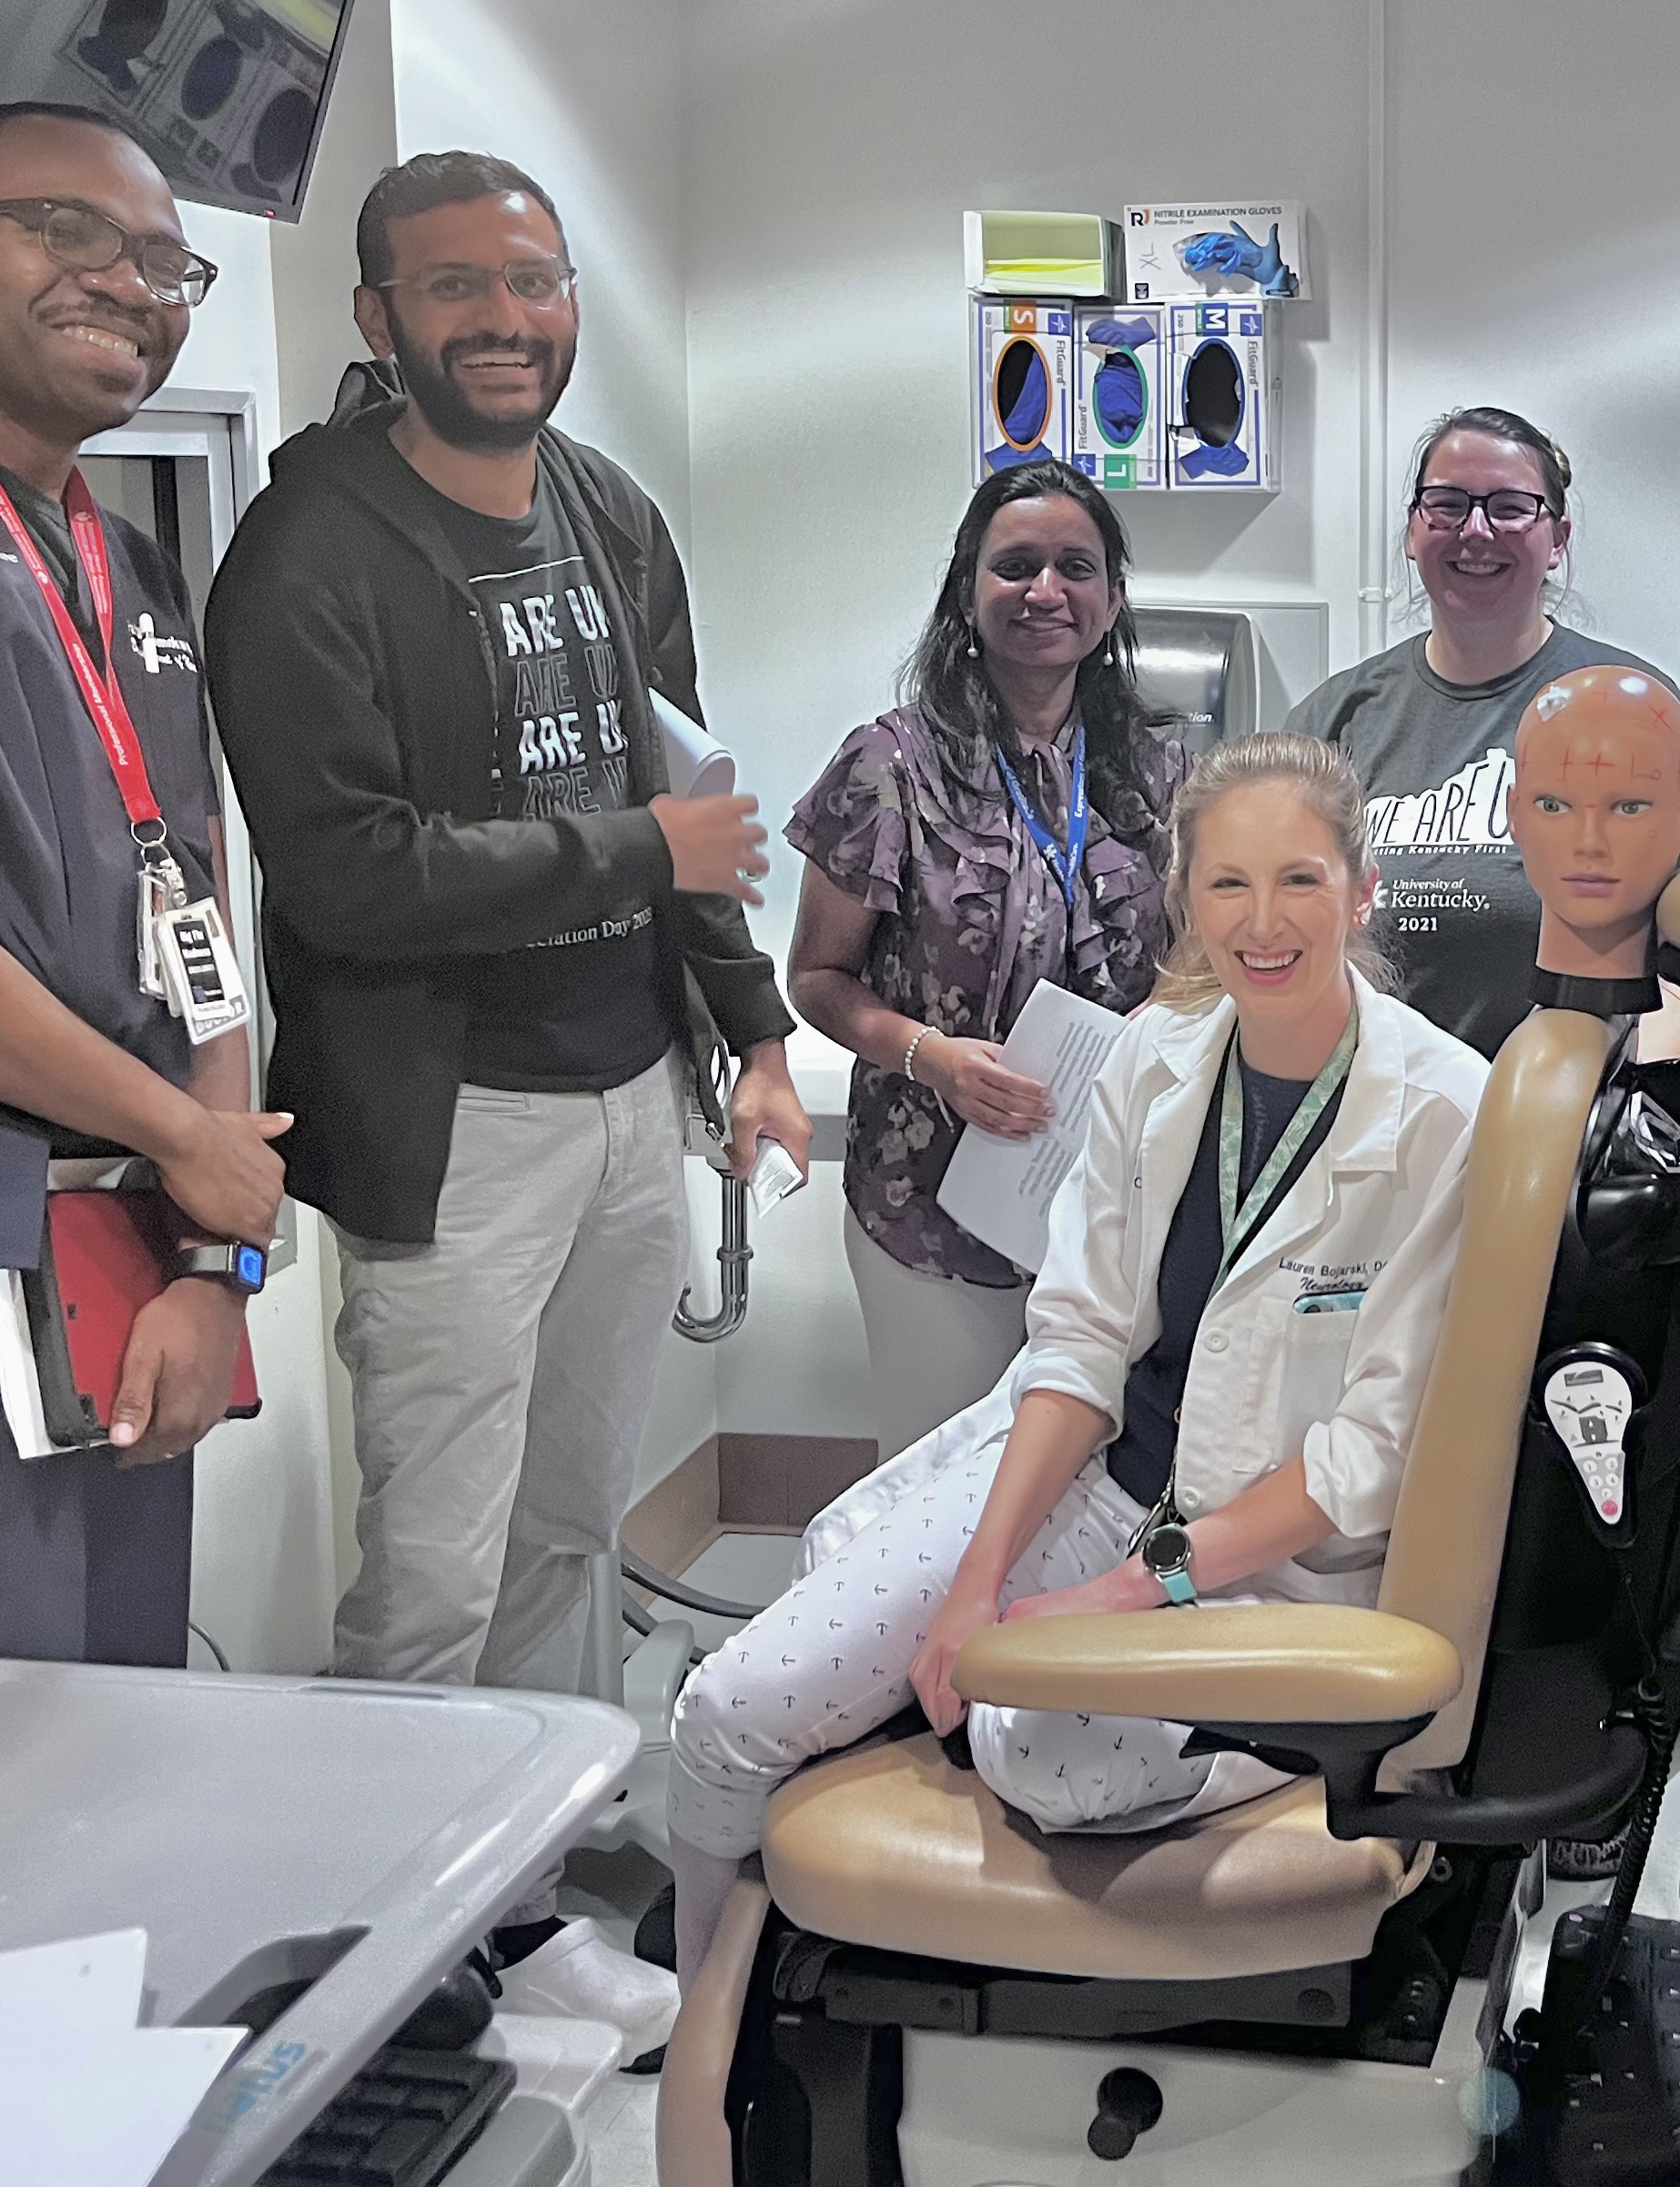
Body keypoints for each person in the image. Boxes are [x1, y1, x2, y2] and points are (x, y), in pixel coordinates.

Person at [207, 150, 808, 2045]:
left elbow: (693, 807)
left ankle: (529, 1901)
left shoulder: (608, 515)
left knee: (573, 1534)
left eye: (530, 283)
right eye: (452, 287)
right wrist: (636, 842)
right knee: (439, 1571)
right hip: (452, 1124)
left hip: (630, 1086)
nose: (501, 319)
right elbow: (350, 873)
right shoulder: (304, 552)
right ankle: (387, 1959)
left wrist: (758, 1031)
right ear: (378, 318)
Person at [663, 734, 1487, 1988]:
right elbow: (1082, 1339)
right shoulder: (1154, 1062)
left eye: (1301, 881)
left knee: (1035, 1746)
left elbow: (1358, 1462)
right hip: (1093, 1480)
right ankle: (707, 2020)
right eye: (1226, 885)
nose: (1262, 924)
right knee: (727, 1711)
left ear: (1362, 890)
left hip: (1259, 1564)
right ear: (1186, 899)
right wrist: (980, 1578)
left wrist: (1103, 1600)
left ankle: (1286, 1737)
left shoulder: (1442, 1113)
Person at [0, 101, 288, 1663]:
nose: (129, 281)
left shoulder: (126, 558)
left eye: (164, 258)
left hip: (131, 1260)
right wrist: (181, 1139)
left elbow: (196, 899)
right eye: (68, 233)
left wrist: (215, 1244)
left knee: (122, 1736)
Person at [787, 462, 1189, 1460]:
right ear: (967, 592)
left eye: (1073, 567)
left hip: (1111, 1199)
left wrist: (1158, 1024)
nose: (1044, 591)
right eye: (1014, 567)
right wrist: (935, 1057)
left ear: (1111, 598)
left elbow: (1207, 959)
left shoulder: (1168, 768)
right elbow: (816, 978)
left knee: (1094, 1494)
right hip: (928, 1207)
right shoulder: (888, 765)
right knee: (937, 1496)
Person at [1292, 406, 1680, 1058]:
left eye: (1509, 507)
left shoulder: (1635, 709)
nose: (1475, 530)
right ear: (1411, 531)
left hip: (1571, 1119)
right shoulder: (1336, 720)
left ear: (1557, 539)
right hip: (1371, 1118)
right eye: (1447, 504)